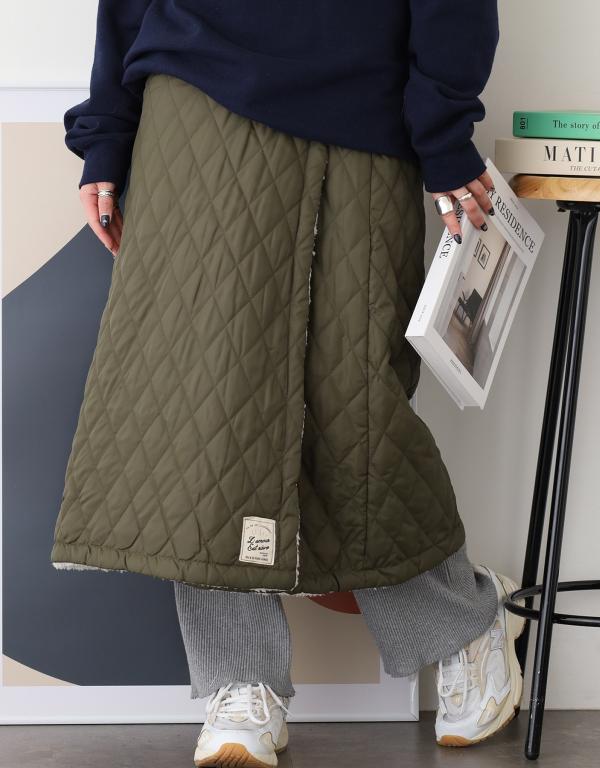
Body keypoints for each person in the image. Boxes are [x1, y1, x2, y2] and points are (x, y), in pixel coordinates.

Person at [50, 2, 525, 766]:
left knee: (354, 410)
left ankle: (463, 625)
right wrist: (108, 129)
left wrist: (442, 129)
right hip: (190, 94)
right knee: (205, 405)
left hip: (361, 108)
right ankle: (240, 681)